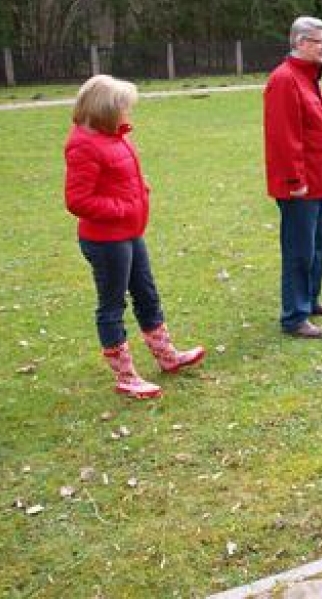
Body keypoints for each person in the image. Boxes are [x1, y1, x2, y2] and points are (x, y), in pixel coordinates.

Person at [64, 75, 205, 399]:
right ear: (106, 110)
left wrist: (139, 190)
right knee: (112, 305)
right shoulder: (82, 145)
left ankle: (167, 356)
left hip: (129, 232)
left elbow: (117, 176)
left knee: (147, 294)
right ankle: (126, 376)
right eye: (124, 108)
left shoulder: (115, 136)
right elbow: (77, 200)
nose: (129, 113)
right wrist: (123, 205)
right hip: (106, 239)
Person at [264, 16, 322, 340]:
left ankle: (310, 300)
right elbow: (284, 137)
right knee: (299, 250)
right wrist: (295, 181)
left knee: (316, 246)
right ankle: (294, 316)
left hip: (320, 181)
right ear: (299, 42)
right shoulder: (285, 80)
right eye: (318, 41)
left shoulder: (310, 78)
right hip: (301, 186)